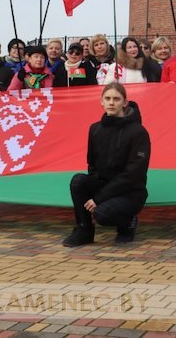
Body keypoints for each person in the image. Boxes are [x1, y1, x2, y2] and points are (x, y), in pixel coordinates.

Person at [63, 82, 151, 247]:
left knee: (102, 214)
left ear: (125, 103)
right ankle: (84, 230)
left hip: (130, 192)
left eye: (116, 99)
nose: (111, 103)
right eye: (107, 98)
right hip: (105, 186)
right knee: (78, 181)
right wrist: (98, 189)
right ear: (101, 101)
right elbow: (92, 164)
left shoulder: (138, 132)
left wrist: (99, 198)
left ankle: (128, 223)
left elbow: (133, 174)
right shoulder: (95, 129)